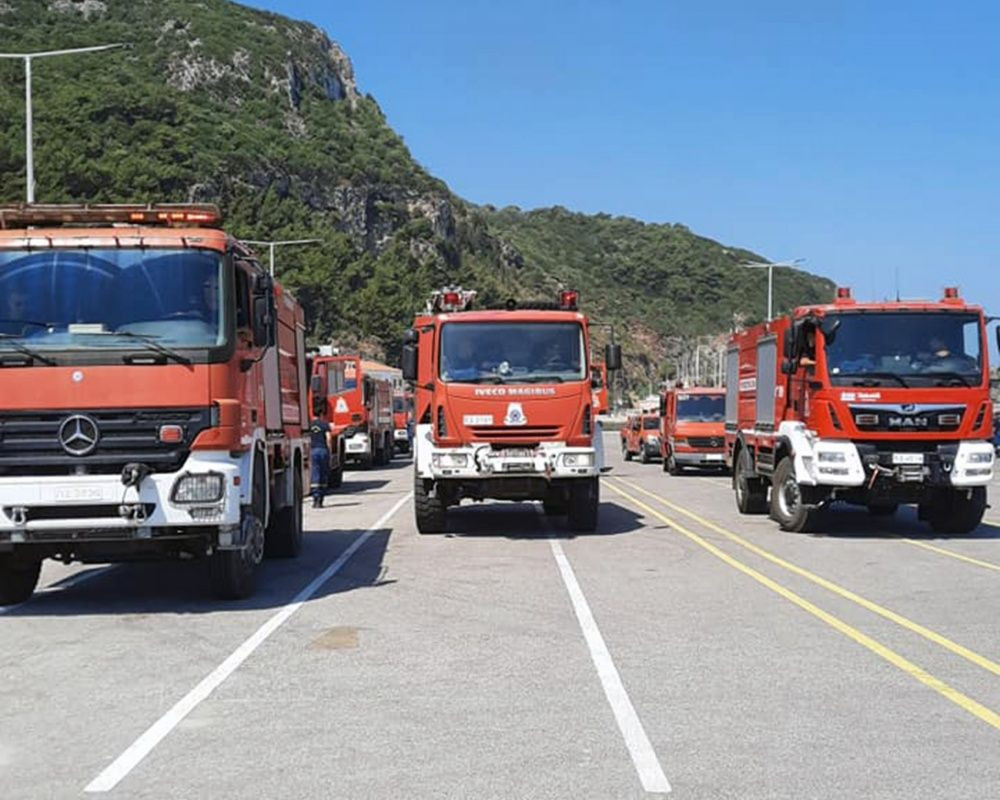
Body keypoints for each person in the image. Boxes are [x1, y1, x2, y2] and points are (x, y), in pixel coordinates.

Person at [309, 415, 333, 508]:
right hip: (323, 450)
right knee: (323, 474)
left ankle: (315, 498)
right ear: (322, 413)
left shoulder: (310, 425)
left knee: (315, 473)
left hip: (313, 450)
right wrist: (329, 451)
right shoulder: (324, 424)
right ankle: (320, 499)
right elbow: (329, 438)